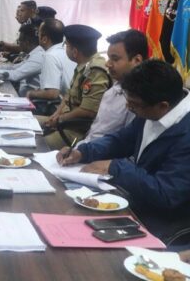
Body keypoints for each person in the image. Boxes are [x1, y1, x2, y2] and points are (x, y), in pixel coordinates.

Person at [58, 60, 190, 242]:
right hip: (138, 200)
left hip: (165, 222)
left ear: (163, 106)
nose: (129, 108)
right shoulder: (152, 108)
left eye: (134, 104)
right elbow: (121, 140)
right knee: (67, 211)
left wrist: (116, 167)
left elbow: (167, 194)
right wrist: (83, 152)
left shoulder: (185, 133)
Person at [39, 24, 111, 149]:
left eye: (66, 45)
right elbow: (68, 95)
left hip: (77, 132)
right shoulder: (84, 65)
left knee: (35, 144)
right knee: (26, 121)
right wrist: (56, 115)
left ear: (75, 52)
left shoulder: (95, 71)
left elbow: (88, 111)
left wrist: (60, 119)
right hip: (65, 122)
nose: (65, 48)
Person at [80, 29, 147, 143]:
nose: (107, 64)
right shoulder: (113, 89)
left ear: (137, 60)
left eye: (115, 59)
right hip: (87, 146)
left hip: (102, 152)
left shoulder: (140, 99)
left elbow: (126, 143)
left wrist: (84, 150)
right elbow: (96, 131)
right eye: (108, 58)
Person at [0, 23, 43, 96]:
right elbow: (14, 67)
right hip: (22, 94)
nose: (19, 44)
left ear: (27, 42)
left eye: (19, 41)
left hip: (30, 99)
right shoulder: (34, 54)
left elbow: (16, 75)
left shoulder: (38, 57)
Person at [26, 19, 77, 102]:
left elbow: (52, 93)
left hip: (62, 105)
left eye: (38, 33)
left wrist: (31, 93)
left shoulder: (50, 56)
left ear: (44, 39)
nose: (37, 36)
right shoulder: (66, 51)